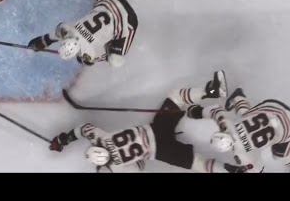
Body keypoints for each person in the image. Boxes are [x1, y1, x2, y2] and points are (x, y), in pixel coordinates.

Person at [49, 71, 245, 173]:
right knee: (176, 98)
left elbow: (140, 167)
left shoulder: (116, 169)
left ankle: (230, 171)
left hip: (160, 151)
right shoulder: (100, 137)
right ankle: (211, 90)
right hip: (157, 129)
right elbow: (83, 129)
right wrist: (63, 139)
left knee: (198, 164)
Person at [186, 86, 290, 173]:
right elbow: (216, 111)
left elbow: (257, 169)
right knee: (245, 116)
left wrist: (243, 168)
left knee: (280, 156)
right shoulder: (226, 124)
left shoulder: (242, 155)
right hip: (274, 107)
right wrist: (197, 111)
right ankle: (239, 98)